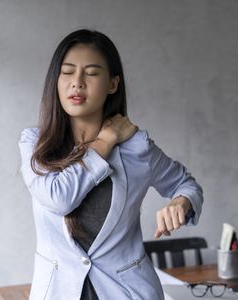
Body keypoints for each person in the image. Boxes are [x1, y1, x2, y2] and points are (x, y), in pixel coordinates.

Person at [19, 29, 203, 300]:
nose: (77, 83)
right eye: (67, 72)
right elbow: (59, 199)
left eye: (92, 73)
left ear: (113, 84)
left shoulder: (137, 148)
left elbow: (186, 185)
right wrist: (106, 140)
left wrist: (181, 202)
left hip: (130, 293)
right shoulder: (35, 143)